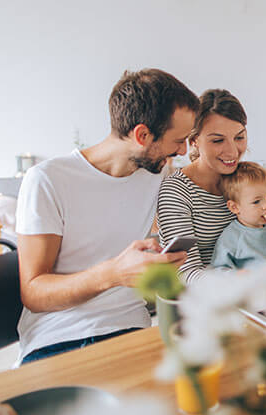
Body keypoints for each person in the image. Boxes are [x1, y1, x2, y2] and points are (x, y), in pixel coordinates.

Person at [16, 68, 199, 363]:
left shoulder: (157, 173)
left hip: (132, 330)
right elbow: (33, 293)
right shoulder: (48, 179)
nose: (183, 150)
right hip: (60, 338)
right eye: (178, 140)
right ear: (142, 135)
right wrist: (113, 274)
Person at [157, 89, 247, 283]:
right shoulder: (176, 191)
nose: (232, 151)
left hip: (250, 293)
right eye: (218, 140)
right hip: (203, 300)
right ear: (194, 140)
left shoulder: (245, 179)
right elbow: (186, 273)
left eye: (239, 138)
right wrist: (241, 280)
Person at [210, 161, 266, 270]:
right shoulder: (231, 237)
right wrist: (237, 276)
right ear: (235, 207)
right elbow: (218, 270)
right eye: (256, 202)